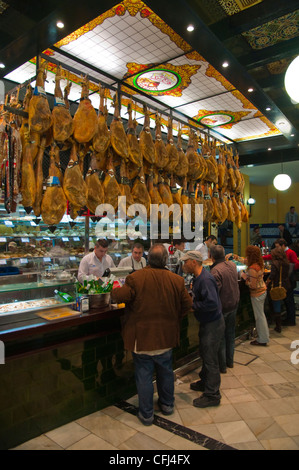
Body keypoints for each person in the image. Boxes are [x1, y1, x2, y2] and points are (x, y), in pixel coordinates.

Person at [111, 244, 192, 426]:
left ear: (148, 257)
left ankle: (146, 414)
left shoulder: (135, 278)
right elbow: (187, 305)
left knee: (144, 375)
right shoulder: (176, 280)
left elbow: (119, 296)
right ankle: (168, 405)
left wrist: (113, 288)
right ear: (164, 260)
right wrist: (173, 318)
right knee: (166, 373)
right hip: (166, 338)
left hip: (143, 339)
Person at [181, 250, 225, 408]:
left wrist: (194, 306)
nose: (183, 265)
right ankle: (205, 382)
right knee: (205, 354)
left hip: (213, 324)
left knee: (210, 359)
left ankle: (213, 395)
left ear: (194, 262)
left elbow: (212, 303)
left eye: (185, 262)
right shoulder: (199, 277)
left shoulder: (205, 279)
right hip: (209, 322)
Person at [210, 245, 240, 373]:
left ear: (212, 256)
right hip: (234, 305)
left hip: (223, 308)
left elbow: (215, 292)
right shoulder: (232, 265)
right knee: (230, 334)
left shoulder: (215, 271)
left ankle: (222, 366)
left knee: (221, 337)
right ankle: (230, 362)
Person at [241, 246, 269, 346]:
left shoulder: (252, 268)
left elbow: (252, 285)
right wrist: (235, 257)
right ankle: (263, 337)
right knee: (261, 315)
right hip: (263, 291)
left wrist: (245, 278)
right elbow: (244, 261)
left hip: (257, 294)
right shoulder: (259, 264)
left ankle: (262, 339)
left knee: (259, 317)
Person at [266, 248, 290, 333]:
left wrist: (267, 282)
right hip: (284, 285)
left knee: (276, 305)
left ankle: (277, 325)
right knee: (279, 303)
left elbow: (272, 275)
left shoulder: (275, 263)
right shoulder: (286, 263)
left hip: (276, 286)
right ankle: (279, 323)